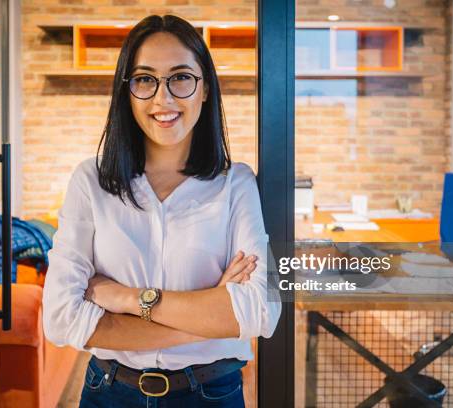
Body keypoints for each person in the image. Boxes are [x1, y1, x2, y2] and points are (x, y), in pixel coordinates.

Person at [42, 14, 281, 408]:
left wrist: (124, 297)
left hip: (211, 394)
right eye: (145, 79)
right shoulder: (91, 181)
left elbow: (261, 310)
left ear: (205, 89)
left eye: (181, 77)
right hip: (108, 393)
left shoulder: (236, 183)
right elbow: (62, 319)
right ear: (127, 91)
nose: (163, 98)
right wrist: (212, 313)